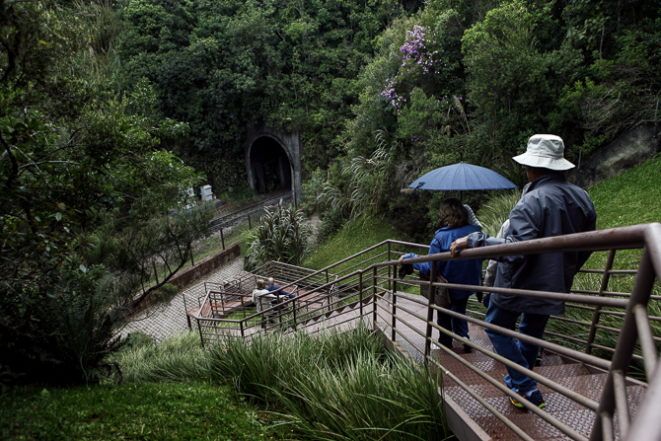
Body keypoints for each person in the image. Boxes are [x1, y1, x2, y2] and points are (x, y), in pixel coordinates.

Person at [450, 134, 597, 410]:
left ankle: (527, 387)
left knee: (495, 326)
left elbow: (516, 249)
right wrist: (566, 270)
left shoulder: (531, 200)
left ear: (533, 168)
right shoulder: (582, 198)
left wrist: (474, 241)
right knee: (531, 332)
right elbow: (586, 244)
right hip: (554, 282)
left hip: (518, 283)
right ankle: (521, 383)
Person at [399, 198, 483, 352]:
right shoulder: (476, 233)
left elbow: (429, 268)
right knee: (460, 310)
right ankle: (463, 337)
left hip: (447, 286)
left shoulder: (440, 238)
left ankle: (445, 343)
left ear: (444, 215)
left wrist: (410, 258)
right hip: (468, 283)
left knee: (444, 315)